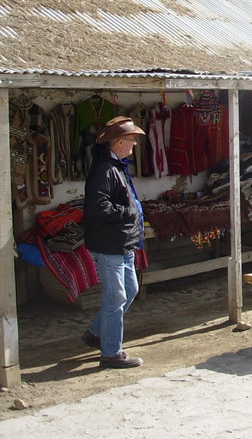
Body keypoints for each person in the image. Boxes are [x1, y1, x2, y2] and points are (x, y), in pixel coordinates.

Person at [81, 116, 146, 368]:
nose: (134, 145)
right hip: (110, 245)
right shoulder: (105, 170)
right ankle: (111, 353)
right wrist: (128, 213)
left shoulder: (115, 166)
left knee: (129, 291)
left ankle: (96, 333)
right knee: (115, 297)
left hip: (120, 243)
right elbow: (96, 208)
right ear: (119, 142)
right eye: (131, 140)